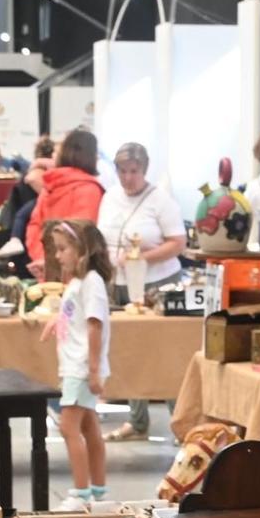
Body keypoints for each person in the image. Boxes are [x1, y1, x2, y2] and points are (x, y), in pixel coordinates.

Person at [95, 142, 184, 441]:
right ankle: (137, 421)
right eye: (122, 171)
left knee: (164, 355)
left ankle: (180, 423)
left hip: (157, 283)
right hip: (121, 283)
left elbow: (177, 242)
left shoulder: (160, 200)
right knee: (131, 352)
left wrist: (140, 258)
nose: (128, 177)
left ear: (144, 171)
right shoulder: (109, 197)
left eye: (133, 171)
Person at [44, 219, 112, 506]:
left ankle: (81, 492)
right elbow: (76, 317)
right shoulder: (79, 283)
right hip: (77, 366)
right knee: (89, 427)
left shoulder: (91, 283)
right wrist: (55, 321)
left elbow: (94, 325)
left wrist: (93, 370)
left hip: (81, 367)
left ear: (81, 250)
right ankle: (97, 489)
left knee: (68, 427)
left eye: (63, 249)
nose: (58, 256)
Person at [27, 129, 105, 279]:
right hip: (77, 275)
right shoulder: (90, 189)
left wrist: (45, 259)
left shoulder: (50, 186)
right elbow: (84, 235)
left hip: (46, 271)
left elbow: (34, 226)